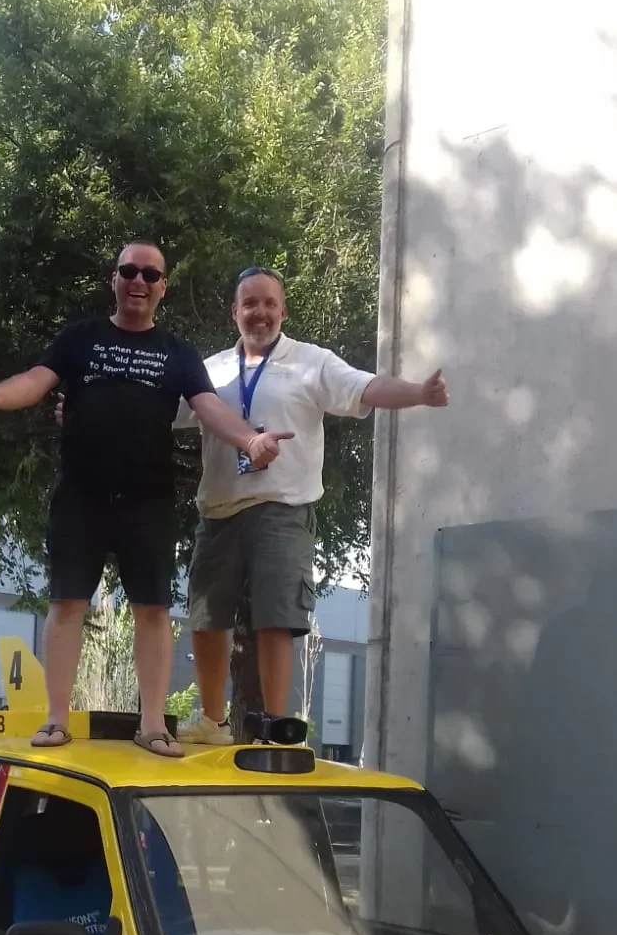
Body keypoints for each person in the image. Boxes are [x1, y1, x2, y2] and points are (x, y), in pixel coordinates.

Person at [0, 240, 293, 759]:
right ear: (114, 279)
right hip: (80, 497)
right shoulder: (79, 339)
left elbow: (208, 409)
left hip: (147, 500)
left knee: (152, 611)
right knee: (67, 605)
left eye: (150, 275)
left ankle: (153, 725)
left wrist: (249, 441)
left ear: (162, 287)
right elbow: (35, 383)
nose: (139, 281)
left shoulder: (177, 353)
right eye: (129, 271)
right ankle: (56, 720)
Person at [175, 266, 449, 742]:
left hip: (283, 507)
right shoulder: (211, 368)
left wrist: (419, 394)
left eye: (269, 303)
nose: (259, 313)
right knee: (205, 616)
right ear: (234, 312)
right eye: (250, 304)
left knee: (277, 616)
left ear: (282, 310)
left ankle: (273, 725)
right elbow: (160, 410)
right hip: (218, 508)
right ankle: (212, 723)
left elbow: (365, 387)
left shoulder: (312, 362)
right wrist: (81, 408)